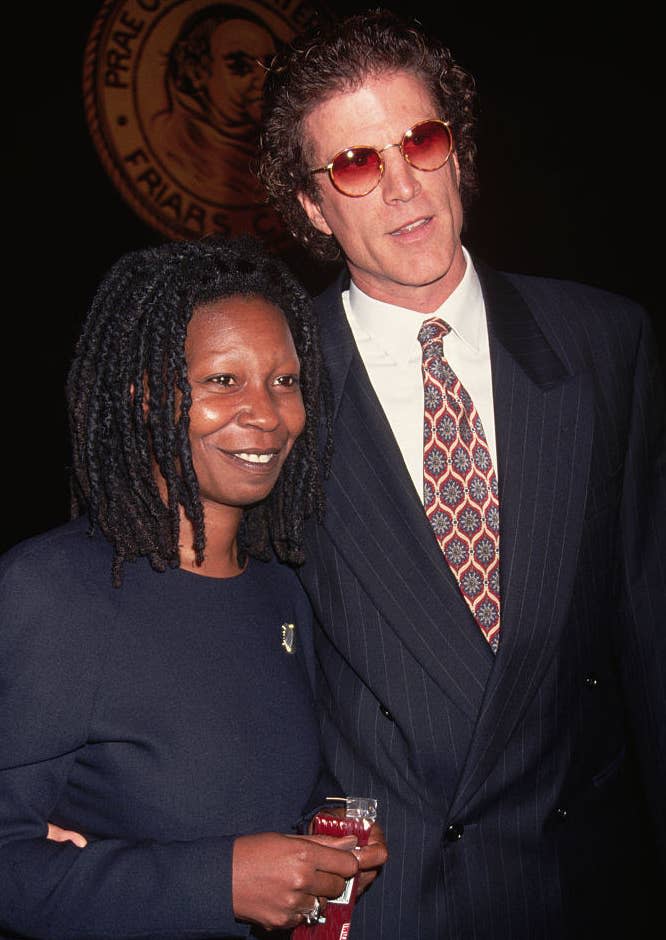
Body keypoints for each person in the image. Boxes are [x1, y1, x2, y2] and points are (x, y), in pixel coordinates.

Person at [257, 8, 666, 938]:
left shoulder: (606, 343)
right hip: (381, 896)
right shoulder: (274, 386)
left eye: (421, 141)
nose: (404, 187)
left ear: (456, 150)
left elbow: (650, 633)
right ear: (313, 207)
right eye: (357, 164)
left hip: (581, 887)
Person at [0, 235, 386, 938]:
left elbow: (248, 803)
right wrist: (219, 882)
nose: (267, 413)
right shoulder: (53, 592)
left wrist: (317, 855)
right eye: (222, 381)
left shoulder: (283, 593)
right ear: (144, 396)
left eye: (285, 380)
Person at [151, 4, 278, 206]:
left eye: (269, 66)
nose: (262, 80)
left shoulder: (282, 153)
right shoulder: (170, 147)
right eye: (240, 66)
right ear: (197, 71)